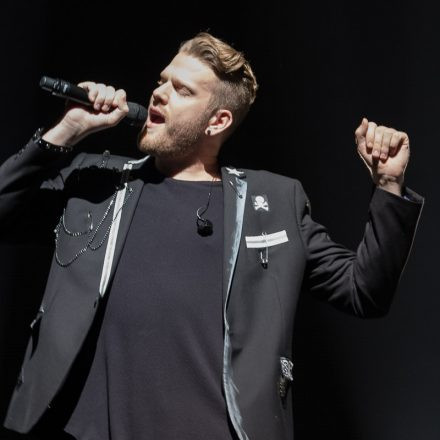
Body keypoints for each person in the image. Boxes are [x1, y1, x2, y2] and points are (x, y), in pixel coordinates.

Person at [0, 32, 423, 440]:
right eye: (162, 81)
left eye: (182, 90)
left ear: (218, 121)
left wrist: (389, 185)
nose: (159, 93)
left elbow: (364, 292)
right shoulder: (96, 181)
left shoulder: (272, 204)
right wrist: (67, 132)